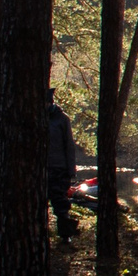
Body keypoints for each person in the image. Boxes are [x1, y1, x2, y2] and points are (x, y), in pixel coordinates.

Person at [46, 95, 79, 242]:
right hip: (42, 168)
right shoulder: (36, 117)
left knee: (60, 203)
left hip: (59, 168)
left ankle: (66, 235)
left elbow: (69, 146)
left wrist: (71, 170)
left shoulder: (62, 119)